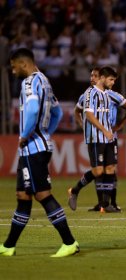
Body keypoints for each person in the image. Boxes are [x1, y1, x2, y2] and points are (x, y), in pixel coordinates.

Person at [0, 48, 79, 257]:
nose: (12, 70)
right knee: (23, 195)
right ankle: (8, 246)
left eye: (13, 66)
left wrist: (25, 135)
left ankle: (69, 242)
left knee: (42, 195)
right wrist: (45, 133)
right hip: (36, 147)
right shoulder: (44, 80)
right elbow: (58, 112)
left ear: (23, 64)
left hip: (33, 148)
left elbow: (33, 109)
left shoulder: (29, 82)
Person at [68, 67, 126, 212]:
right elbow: (89, 114)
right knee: (98, 172)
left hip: (110, 138)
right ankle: (74, 190)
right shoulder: (89, 94)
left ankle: (106, 204)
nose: (112, 83)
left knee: (110, 169)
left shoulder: (109, 94)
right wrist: (94, 128)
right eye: (111, 79)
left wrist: (118, 126)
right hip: (96, 138)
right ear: (103, 78)